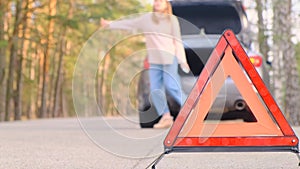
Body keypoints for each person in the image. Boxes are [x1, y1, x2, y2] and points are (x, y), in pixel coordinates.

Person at [100, 0, 190, 129]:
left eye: (160, 1)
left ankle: (192, 109)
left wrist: (182, 60)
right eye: (155, 1)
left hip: (169, 57)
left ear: (166, 4)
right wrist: (109, 24)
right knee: (155, 90)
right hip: (154, 59)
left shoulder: (171, 20)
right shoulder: (147, 19)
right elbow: (129, 23)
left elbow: (177, 40)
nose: (157, 3)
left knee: (172, 87)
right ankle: (166, 117)